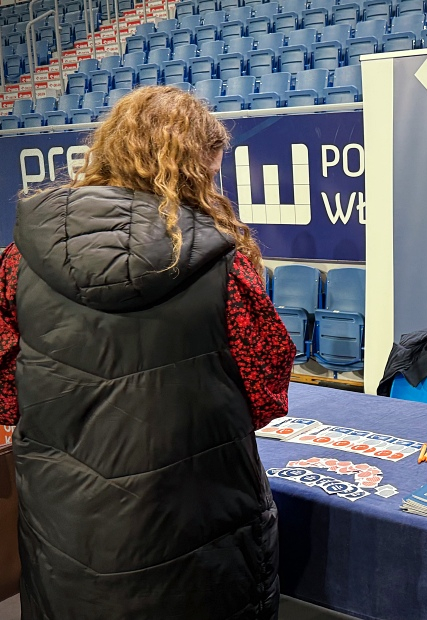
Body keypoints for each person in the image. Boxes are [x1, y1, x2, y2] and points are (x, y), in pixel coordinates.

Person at [0, 86, 296, 619]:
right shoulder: (223, 265)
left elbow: (5, 393)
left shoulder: (18, 260)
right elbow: (265, 391)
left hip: (65, 528)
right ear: (191, 167)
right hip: (194, 524)